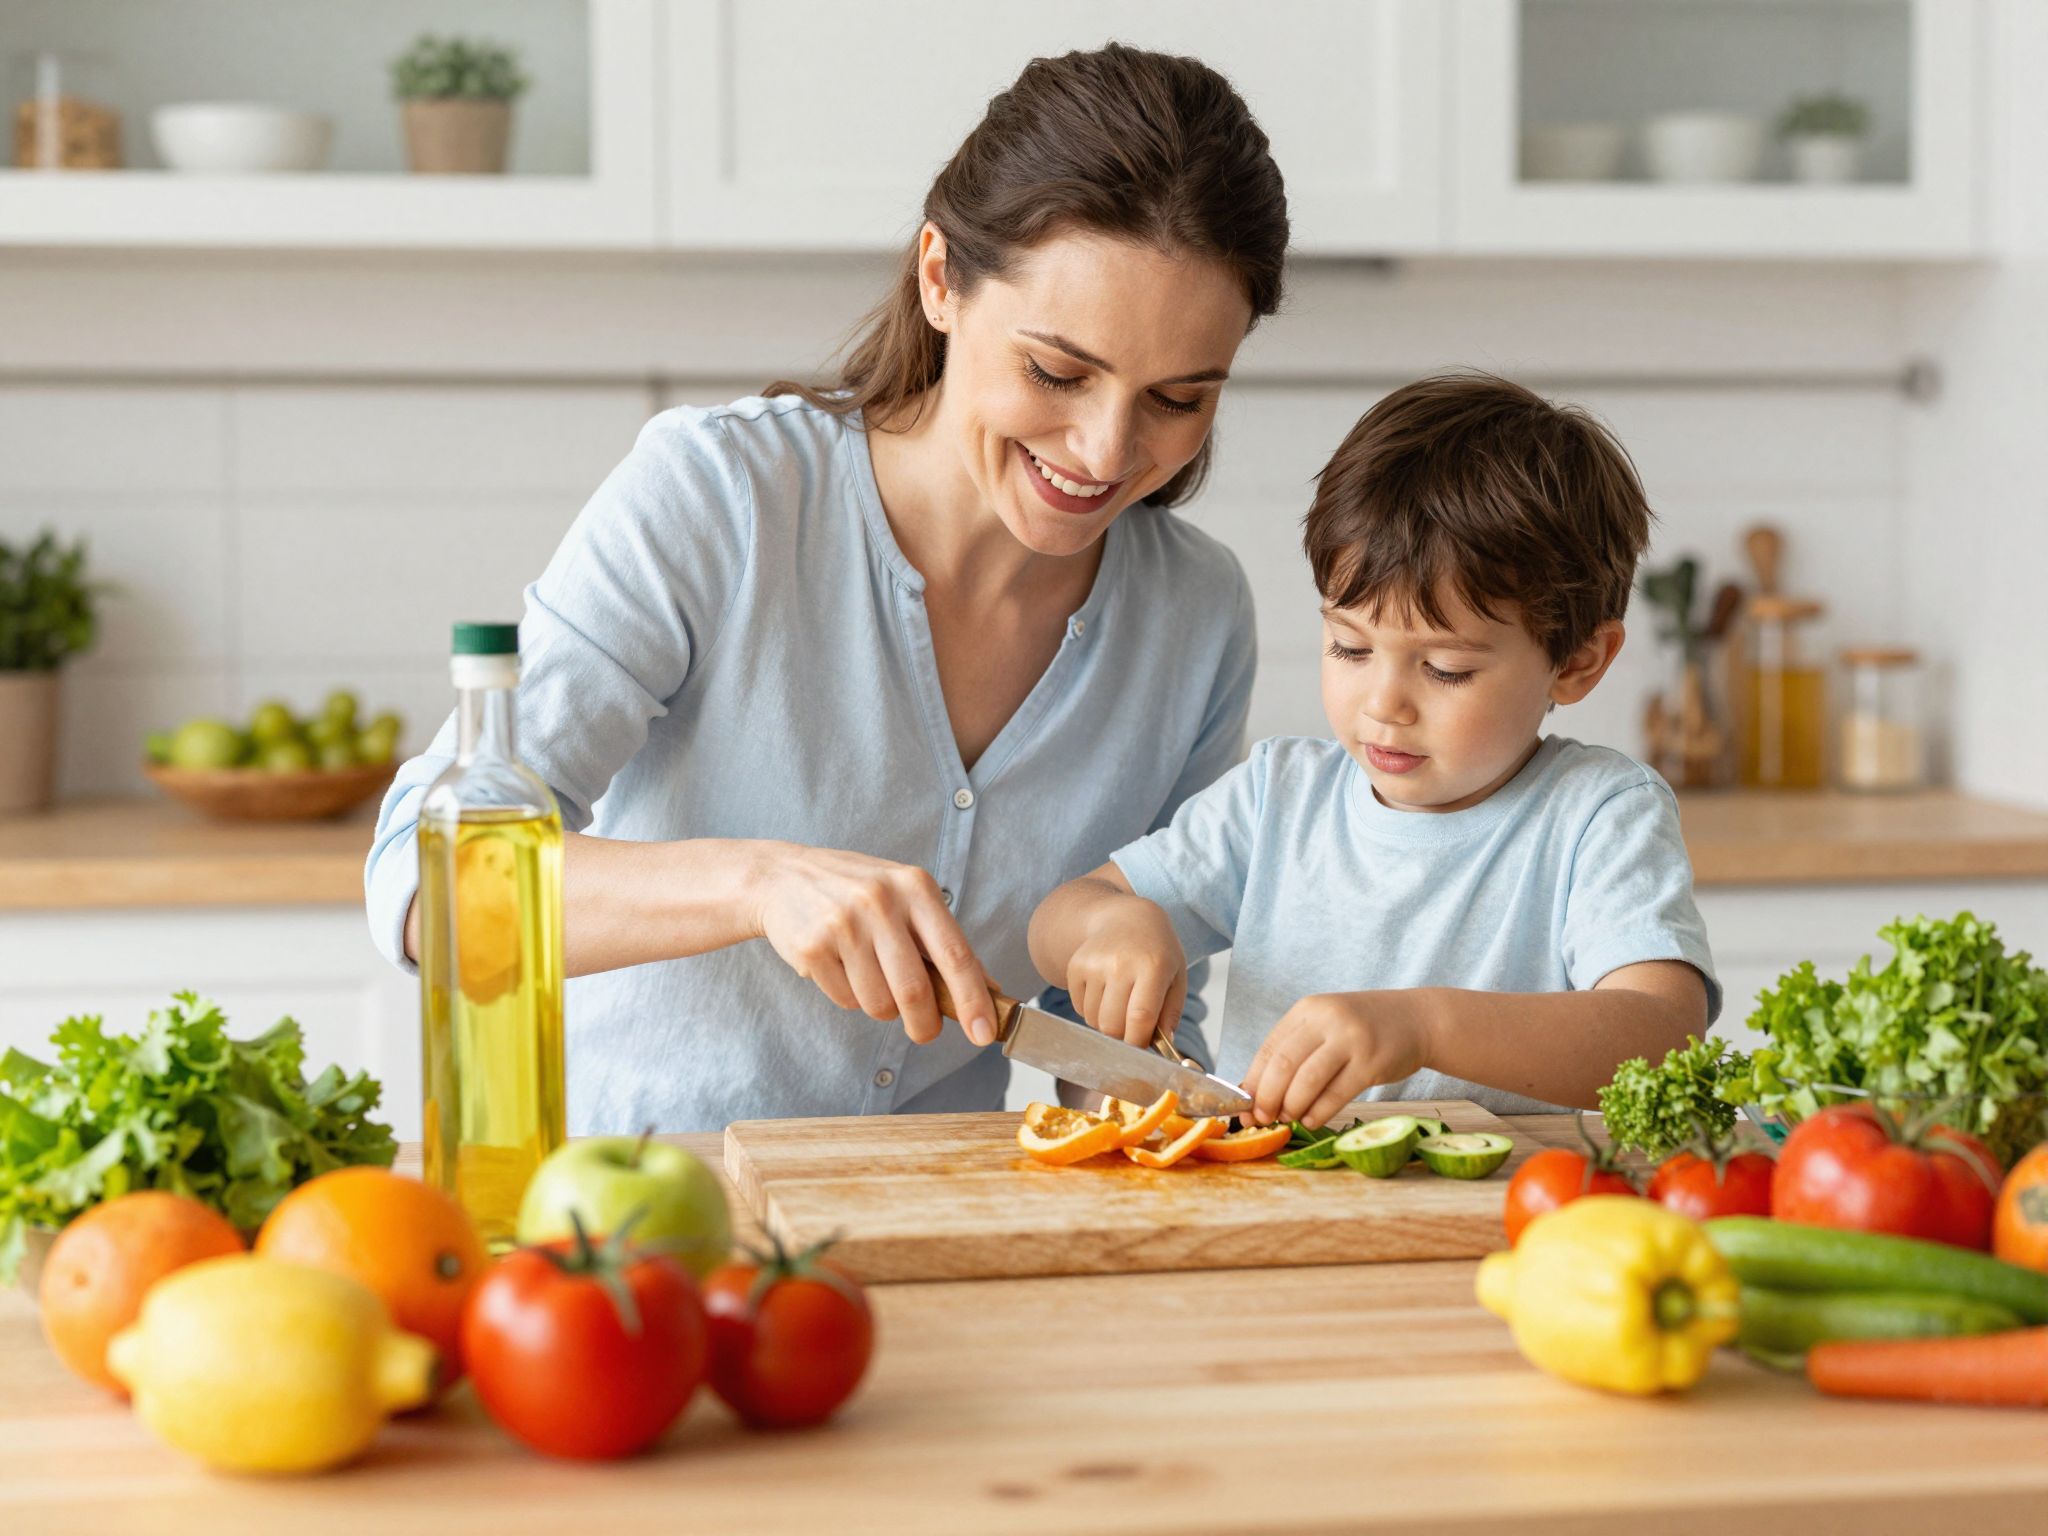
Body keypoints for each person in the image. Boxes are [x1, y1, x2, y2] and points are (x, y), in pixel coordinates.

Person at [366, 44, 1290, 1134]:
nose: (1103, 449)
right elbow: (428, 890)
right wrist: (758, 884)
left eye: (1178, 398)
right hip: (627, 1227)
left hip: (932, 1221)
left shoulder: (1195, 616)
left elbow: (1092, 1023)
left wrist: (1154, 1061)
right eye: (1056, 372)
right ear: (939, 278)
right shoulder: (721, 497)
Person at [1028, 373, 1719, 1128]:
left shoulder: (1598, 814)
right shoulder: (1277, 798)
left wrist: (1423, 1028)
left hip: (1518, 1222)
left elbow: (1660, 1032)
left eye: (1445, 668)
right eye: (1350, 648)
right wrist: (1109, 926)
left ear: (1579, 661)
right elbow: (1057, 920)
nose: (1384, 704)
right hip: (1274, 1210)